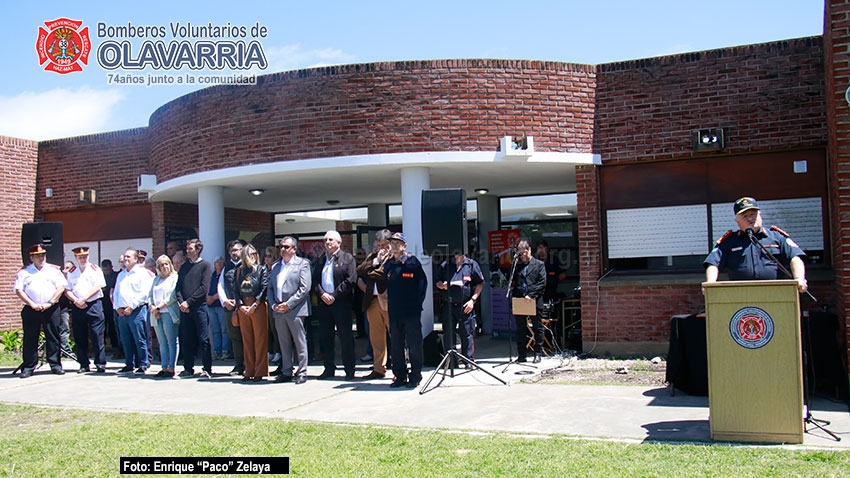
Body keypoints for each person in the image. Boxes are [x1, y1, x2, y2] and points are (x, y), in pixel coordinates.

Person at [704, 197, 808, 293]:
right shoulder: (729, 242)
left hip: (775, 292)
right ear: (737, 221)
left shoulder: (777, 237)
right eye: (745, 216)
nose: (750, 219)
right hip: (740, 294)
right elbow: (713, 264)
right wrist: (710, 285)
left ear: (760, 215)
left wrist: (799, 278)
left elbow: (795, 257)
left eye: (753, 214)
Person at [14, 244, 68, 378]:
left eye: (43, 255)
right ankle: (29, 366)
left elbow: (61, 287)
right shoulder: (24, 272)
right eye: (37, 256)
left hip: (51, 308)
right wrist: (32, 304)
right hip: (31, 309)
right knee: (30, 338)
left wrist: (50, 302)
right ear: (31, 258)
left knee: (53, 336)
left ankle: (55, 365)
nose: (41, 258)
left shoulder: (53, 270)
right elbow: (18, 290)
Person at [383, 232, 428, 389]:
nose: (394, 245)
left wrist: (417, 304)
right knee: (396, 345)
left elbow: (423, 284)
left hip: (411, 312)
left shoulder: (412, 262)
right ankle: (399, 375)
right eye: (392, 242)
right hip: (395, 312)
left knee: (414, 345)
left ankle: (415, 376)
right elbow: (381, 282)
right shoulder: (388, 264)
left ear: (404, 246)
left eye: (398, 243)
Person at [312, 230, 358, 380]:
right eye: (325, 240)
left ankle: (349, 370)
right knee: (326, 337)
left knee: (345, 337)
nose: (328, 242)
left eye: (331, 240)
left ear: (339, 242)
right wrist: (322, 294)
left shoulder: (347, 258)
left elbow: (351, 280)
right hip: (324, 304)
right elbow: (315, 281)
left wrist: (334, 295)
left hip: (341, 303)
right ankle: (328, 368)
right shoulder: (320, 260)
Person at [268, 236, 312, 384]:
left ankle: (302, 371)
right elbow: (270, 289)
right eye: (281, 246)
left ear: (294, 249)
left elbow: (304, 288)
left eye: (286, 247)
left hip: (295, 310)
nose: (282, 249)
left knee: (299, 341)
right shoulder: (276, 266)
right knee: (283, 342)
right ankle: (286, 371)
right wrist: (274, 305)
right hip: (278, 310)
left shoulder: (303, 264)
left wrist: (289, 304)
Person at [356, 229, 392, 380]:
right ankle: (378, 368)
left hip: (389, 302)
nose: (381, 248)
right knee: (376, 337)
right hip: (373, 301)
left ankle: (399, 369)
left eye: (384, 245)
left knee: (395, 336)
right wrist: (375, 261)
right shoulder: (373, 257)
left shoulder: (394, 258)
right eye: (378, 245)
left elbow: (383, 274)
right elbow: (359, 270)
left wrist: (371, 272)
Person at [65, 246, 108, 374]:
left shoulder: (95, 269)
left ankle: (100, 363)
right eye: (80, 257)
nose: (83, 259)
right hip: (78, 306)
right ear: (76, 258)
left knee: (97, 335)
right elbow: (67, 290)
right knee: (79, 336)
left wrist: (84, 298)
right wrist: (76, 301)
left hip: (93, 304)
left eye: (85, 256)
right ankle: (83, 364)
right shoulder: (72, 272)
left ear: (88, 256)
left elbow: (99, 286)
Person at [176, 238, 214, 379]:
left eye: (190, 248)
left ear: (198, 250)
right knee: (186, 338)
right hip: (185, 309)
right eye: (187, 248)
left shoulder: (205, 265)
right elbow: (178, 287)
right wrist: (181, 302)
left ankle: (207, 368)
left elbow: (204, 288)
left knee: (204, 338)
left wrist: (189, 302)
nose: (187, 251)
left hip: (199, 307)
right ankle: (188, 367)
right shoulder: (185, 266)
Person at [436, 251, 484, 361]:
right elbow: (437, 282)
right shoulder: (446, 265)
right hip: (449, 304)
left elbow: (479, 284)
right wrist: (442, 286)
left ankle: (467, 359)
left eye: (459, 254)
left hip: (465, 304)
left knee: (467, 333)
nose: (456, 256)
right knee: (448, 334)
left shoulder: (471, 265)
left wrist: (473, 300)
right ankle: (451, 360)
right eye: (455, 254)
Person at [232, 244, 270, 382]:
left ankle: (260, 371)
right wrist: (240, 305)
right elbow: (235, 289)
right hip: (243, 306)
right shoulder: (239, 271)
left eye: (255, 253)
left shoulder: (261, 269)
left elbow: (264, 287)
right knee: (247, 340)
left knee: (260, 339)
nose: (253, 256)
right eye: (250, 254)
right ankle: (249, 370)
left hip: (257, 305)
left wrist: (255, 304)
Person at [113, 249, 154, 374]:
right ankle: (129, 363)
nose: (126, 259)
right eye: (125, 257)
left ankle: (143, 363)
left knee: (139, 338)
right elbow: (116, 292)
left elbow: (145, 292)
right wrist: (117, 307)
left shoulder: (142, 273)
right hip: (122, 312)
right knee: (125, 339)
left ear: (136, 259)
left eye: (128, 257)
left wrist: (131, 306)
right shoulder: (121, 275)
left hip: (137, 310)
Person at [510, 239, 547, 363]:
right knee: (520, 328)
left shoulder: (539, 264)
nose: (523, 255)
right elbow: (511, 281)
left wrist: (531, 295)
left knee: (537, 327)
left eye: (525, 252)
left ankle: (538, 353)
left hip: (533, 300)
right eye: (521, 253)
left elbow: (542, 283)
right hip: (520, 299)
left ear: (529, 250)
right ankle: (522, 355)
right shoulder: (517, 265)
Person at [149, 255, 180, 379]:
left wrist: (158, 307)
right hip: (156, 314)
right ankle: (164, 366)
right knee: (162, 342)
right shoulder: (156, 280)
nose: (164, 267)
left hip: (168, 313)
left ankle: (171, 367)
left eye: (166, 264)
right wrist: (152, 307)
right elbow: (150, 295)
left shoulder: (174, 278)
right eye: (161, 265)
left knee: (171, 341)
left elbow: (172, 297)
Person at [218, 240, 244, 374]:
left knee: (247, 336)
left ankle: (250, 364)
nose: (235, 253)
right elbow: (220, 286)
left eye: (237, 250)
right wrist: (225, 301)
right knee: (234, 337)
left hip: (245, 308)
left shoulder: (247, 266)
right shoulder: (226, 268)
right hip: (230, 308)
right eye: (232, 251)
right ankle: (239, 365)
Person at [207, 256, 230, 361]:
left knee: (224, 329)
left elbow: (223, 288)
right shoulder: (211, 276)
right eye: (217, 263)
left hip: (220, 305)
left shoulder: (224, 275)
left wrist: (215, 297)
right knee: (215, 330)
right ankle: (217, 351)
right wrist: (208, 298)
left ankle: (225, 351)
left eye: (221, 263)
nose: (219, 265)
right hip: (211, 306)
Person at [263, 245, 282, 371]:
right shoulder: (263, 269)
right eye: (265, 256)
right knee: (267, 328)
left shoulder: (277, 268)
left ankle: (278, 352)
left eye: (269, 256)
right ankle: (269, 351)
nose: (266, 259)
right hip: (263, 302)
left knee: (276, 329)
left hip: (274, 302)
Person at [101, 259, 121, 359]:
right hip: (103, 306)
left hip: (113, 306)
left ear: (111, 267)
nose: (106, 272)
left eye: (107, 270)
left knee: (114, 329)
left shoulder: (116, 276)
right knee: (102, 329)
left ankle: (116, 349)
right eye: (104, 270)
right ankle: (102, 349)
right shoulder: (101, 277)